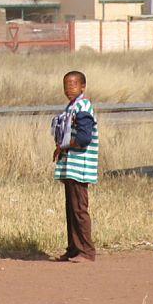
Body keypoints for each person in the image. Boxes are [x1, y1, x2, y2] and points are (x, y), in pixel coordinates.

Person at [51, 70, 98, 263]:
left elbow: (84, 138)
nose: (68, 88)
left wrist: (65, 145)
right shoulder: (71, 107)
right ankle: (73, 249)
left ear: (82, 87)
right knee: (71, 209)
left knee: (79, 208)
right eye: (66, 85)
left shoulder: (83, 106)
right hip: (70, 165)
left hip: (81, 166)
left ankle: (86, 251)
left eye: (73, 84)